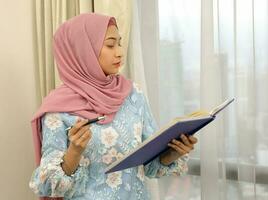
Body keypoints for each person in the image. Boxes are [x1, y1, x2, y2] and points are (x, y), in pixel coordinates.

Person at [29, 13, 198, 200]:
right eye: (110, 45)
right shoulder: (58, 109)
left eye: (119, 43)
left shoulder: (133, 94)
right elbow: (49, 184)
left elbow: (151, 166)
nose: (119, 52)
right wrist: (74, 152)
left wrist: (173, 152)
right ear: (83, 50)